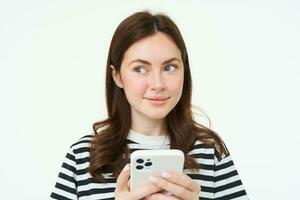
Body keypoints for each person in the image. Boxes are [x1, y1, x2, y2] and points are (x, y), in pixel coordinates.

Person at [50, 10, 248, 200]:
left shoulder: (210, 153)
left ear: (184, 72)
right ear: (117, 76)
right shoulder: (83, 156)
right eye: (140, 69)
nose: (158, 84)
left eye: (169, 67)